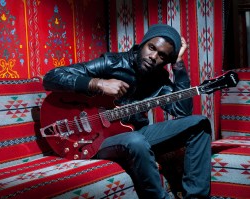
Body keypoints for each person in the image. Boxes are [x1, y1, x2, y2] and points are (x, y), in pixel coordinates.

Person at [43, 24, 212, 199]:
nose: (153, 57)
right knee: (136, 140)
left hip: (134, 133)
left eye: (162, 55)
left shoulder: (160, 79)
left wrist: (178, 65)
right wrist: (98, 84)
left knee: (199, 124)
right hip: (97, 138)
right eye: (151, 48)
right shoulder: (112, 63)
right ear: (143, 44)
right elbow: (51, 77)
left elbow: (182, 111)